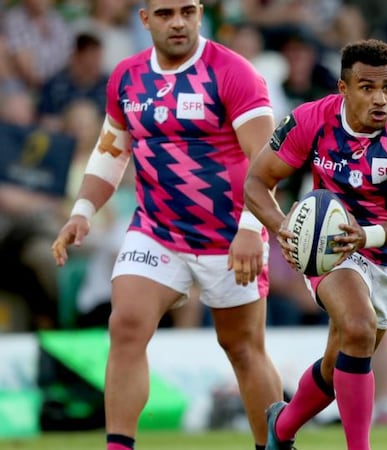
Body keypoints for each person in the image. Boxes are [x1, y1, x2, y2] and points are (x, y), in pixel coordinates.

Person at [50, 1, 283, 449]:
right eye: (164, 13)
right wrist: (82, 212)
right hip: (156, 230)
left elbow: (267, 160)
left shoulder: (234, 73)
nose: (177, 22)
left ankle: (274, 446)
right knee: (127, 326)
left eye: (187, 10)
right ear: (145, 19)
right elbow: (111, 150)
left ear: (200, 14)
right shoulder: (127, 76)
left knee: (243, 349)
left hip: (229, 235)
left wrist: (252, 229)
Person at [244, 39, 387, 450]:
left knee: (343, 363)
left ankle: (281, 428)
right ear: (343, 88)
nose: (381, 98)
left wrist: (367, 235)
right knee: (357, 325)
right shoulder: (309, 121)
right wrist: (283, 227)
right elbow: (257, 182)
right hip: (329, 249)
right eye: (367, 87)